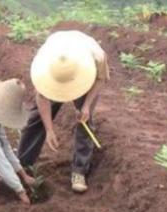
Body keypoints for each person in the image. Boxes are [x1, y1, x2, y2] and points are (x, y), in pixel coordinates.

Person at [18, 30, 110, 193]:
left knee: (84, 121)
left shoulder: (97, 56)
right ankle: (22, 165)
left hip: (86, 81)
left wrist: (86, 105)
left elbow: (100, 79)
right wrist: (49, 130)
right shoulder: (45, 63)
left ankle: (79, 172)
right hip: (56, 70)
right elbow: (42, 97)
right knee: (36, 118)